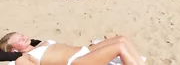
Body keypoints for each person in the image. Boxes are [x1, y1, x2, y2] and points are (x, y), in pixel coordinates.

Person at [0, 32, 144, 65]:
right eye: (19, 40)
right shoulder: (23, 58)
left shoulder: (39, 44)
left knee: (122, 39)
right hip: (75, 61)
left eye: (22, 35)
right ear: (13, 50)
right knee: (119, 47)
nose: (23, 37)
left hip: (85, 50)